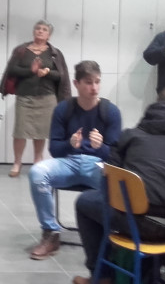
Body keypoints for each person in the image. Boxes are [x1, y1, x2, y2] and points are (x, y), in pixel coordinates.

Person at [71, 88, 165, 284]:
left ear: (155, 107)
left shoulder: (131, 136)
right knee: (163, 211)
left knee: (86, 202)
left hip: (139, 224)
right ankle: (147, 282)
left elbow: (110, 182)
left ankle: (102, 280)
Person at [27, 60, 122, 260]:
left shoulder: (111, 111)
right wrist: (70, 144)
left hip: (97, 165)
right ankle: (51, 232)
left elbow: (116, 156)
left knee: (118, 183)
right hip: (69, 162)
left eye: (97, 82)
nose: (94, 88)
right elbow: (54, 150)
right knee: (37, 172)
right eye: (88, 82)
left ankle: (111, 236)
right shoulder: (63, 109)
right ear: (76, 84)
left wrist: (101, 147)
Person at [0, 20, 70, 178]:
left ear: (49, 35)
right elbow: (12, 69)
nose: (40, 31)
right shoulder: (21, 50)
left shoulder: (54, 53)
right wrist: (30, 71)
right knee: (20, 131)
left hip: (47, 98)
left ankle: (38, 160)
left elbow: (61, 75)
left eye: (44, 29)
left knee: (41, 132)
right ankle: (17, 162)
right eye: (38, 28)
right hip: (25, 96)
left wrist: (47, 72)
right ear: (33, 32)